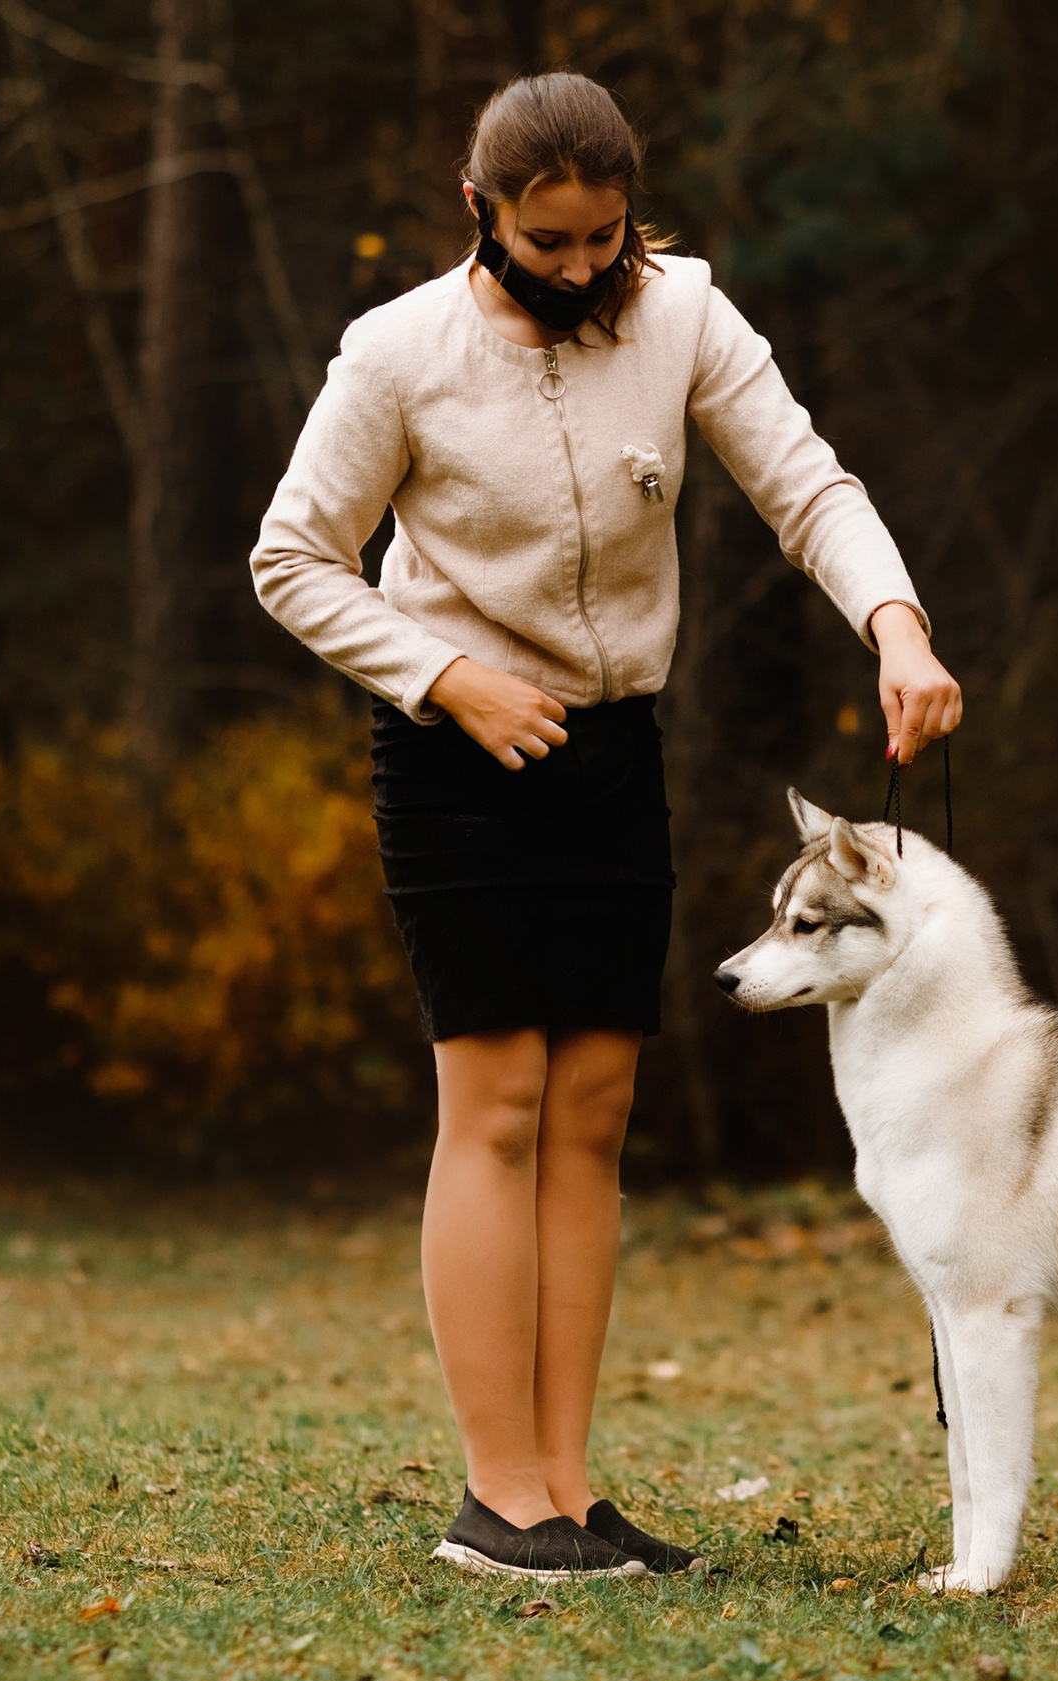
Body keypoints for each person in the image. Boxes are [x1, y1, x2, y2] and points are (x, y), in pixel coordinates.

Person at [249, 70, 962, 1581]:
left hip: (614, 754)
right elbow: (293, 559)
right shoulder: (398, 355)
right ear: (482, 211)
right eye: (549, 240)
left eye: (604, 239)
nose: (581, 270)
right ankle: (496, 1498)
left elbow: (809, 488)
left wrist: (895, 627)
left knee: (589, 1120)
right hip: (456, 763)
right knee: (495, 1104)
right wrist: (445, 678)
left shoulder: (685, 313)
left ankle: (568, 1494)